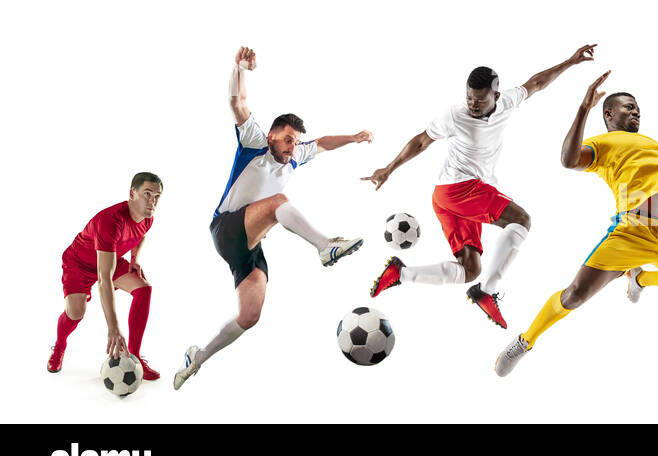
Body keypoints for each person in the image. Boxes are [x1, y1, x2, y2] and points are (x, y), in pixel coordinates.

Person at [493, 71, 658, 377]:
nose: (636, 111)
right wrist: (583, 109)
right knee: (574, 295)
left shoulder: (657, 147)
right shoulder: (604, 143)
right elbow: (569, 160)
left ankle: (642, 280)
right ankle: (526, 340)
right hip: (630, 235)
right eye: (629, 107)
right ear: (609, 114)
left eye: (638, 107)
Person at [173, 47, 372, 390]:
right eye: (287, 141)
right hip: (226, 227)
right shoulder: (254, 143)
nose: (292, 148)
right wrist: (239, 68)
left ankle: (198, 358)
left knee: (249, 316)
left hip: (250, 244)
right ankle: (325, 247)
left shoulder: (295, 156)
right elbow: (238, 103)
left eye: (295, 142)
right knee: (278, 201)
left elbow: (322, 142)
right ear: (272, 137)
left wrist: (353, 138)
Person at [364, 45, 597, 329]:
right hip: (457, 189)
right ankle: (487, 292)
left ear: (496, 97)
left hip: (453, 198)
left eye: (480, 100)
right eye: (469, 98)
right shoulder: (454, 115)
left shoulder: (507, 102)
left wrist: (571, 61)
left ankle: (400, 274)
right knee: (521, 220)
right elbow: (421, 141)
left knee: (470, 269)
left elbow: (537, 83)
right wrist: (388, 169)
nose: (472, 104)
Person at [49, 173, 163, 380]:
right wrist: (113, 328)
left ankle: (134, 357)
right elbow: (104, 279)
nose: (152, 201)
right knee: (75, 313)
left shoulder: (147, 218)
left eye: (157, 196)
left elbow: (140, 235)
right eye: (147, 194)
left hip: (110, 258)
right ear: (132, 193)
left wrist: (135, 259)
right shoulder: (111, 221)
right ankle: (59, 346)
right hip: (79, 263)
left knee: (144, 290)